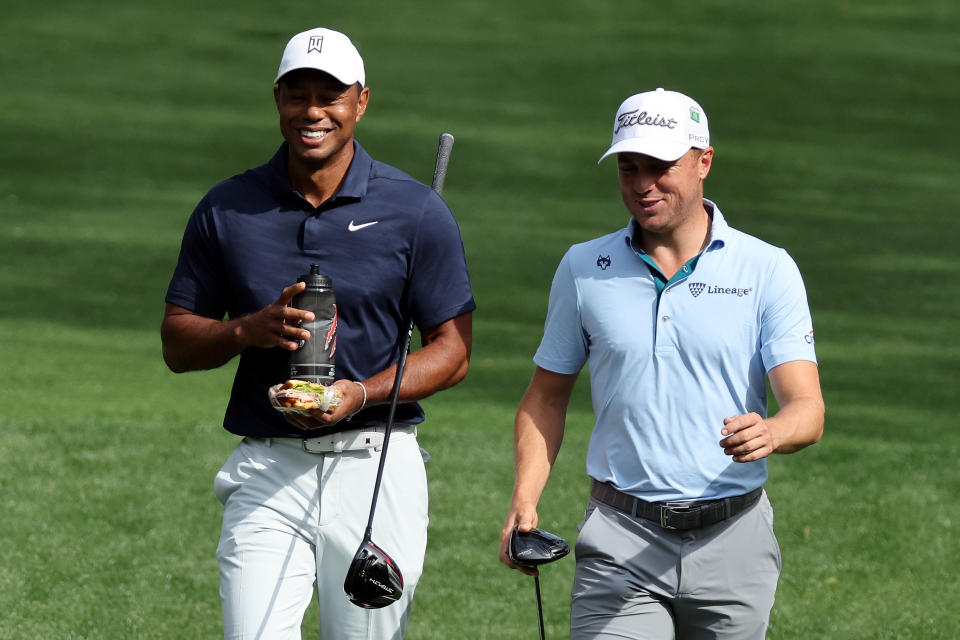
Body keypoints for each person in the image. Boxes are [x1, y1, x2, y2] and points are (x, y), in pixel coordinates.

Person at [161, 26, 475, 639]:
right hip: (268, 466)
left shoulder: (415, 211)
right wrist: (244, 331)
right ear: (276, 98)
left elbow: (454, 353)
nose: (312, 111)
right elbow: (176, 342)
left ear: (360, 102)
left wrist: (361, 394)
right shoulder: (227, 207)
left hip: (375, 467)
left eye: (330, 95)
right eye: (296, 94)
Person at [499, 88, 824, 639]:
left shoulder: (768, 269)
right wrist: (524, 500)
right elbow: (546, 395)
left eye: (660, 166)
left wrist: (771, 431)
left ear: (704, 162)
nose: (643, 184)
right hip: (620, 538)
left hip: (734, 540)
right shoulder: (584, 268)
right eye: (629, 168)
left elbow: (807, 408)